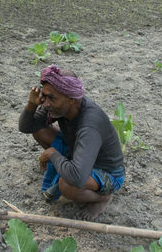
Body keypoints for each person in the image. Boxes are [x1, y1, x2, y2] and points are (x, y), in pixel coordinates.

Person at [19, 64, 125, 221]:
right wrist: (31, 105)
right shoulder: (60, 106)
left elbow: (77, 178)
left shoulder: (89, 124)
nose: (46, 103)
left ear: (71, 99)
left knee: (67, 185)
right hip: (78, 151)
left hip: (108, 172)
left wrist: (53, 154)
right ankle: (68, 164)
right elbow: (26, 127)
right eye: (45, 96)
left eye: (51, 98)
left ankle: (102, 199)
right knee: (39, 129)